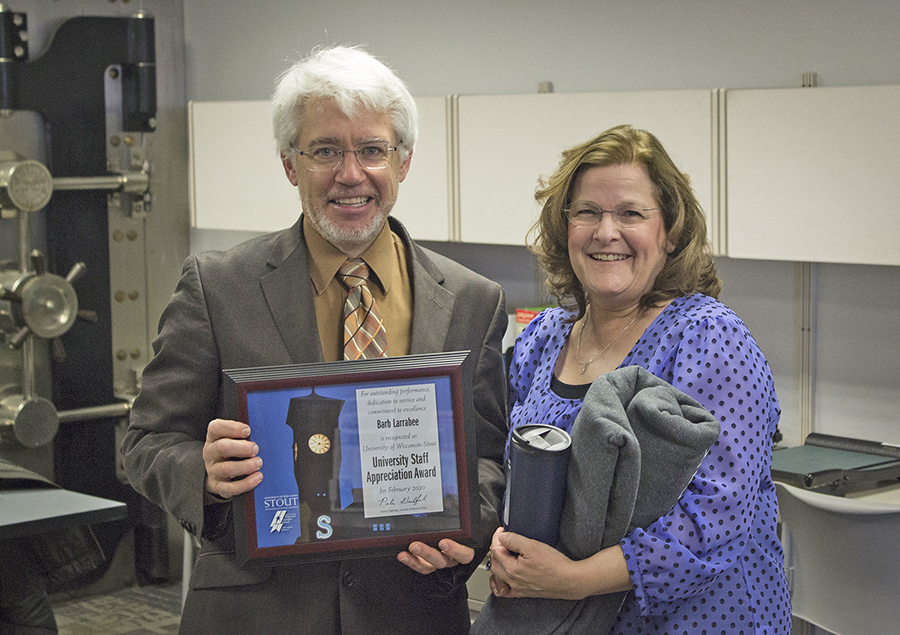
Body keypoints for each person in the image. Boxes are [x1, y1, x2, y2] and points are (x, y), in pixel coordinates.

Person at [121, 45, 508, 635]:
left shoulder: (472, 299)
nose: (350, 174)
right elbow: (144, 441)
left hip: (412, 608)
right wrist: (200, 472)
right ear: (289, 164)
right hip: (255, 612)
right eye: (325, 150)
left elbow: (486, 456)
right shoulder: (217, 286)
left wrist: (469, 532)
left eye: (372, 150)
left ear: (403, 162)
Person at [482, 125, 791, 634]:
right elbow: (513, 468)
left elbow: (715, 519)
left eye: (630, 213)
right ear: (565, 228)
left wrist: (574, 578)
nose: (606, 232)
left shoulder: (708, 338)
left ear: (669, 232)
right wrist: (504, 539)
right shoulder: (542, 338)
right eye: (587, 212)